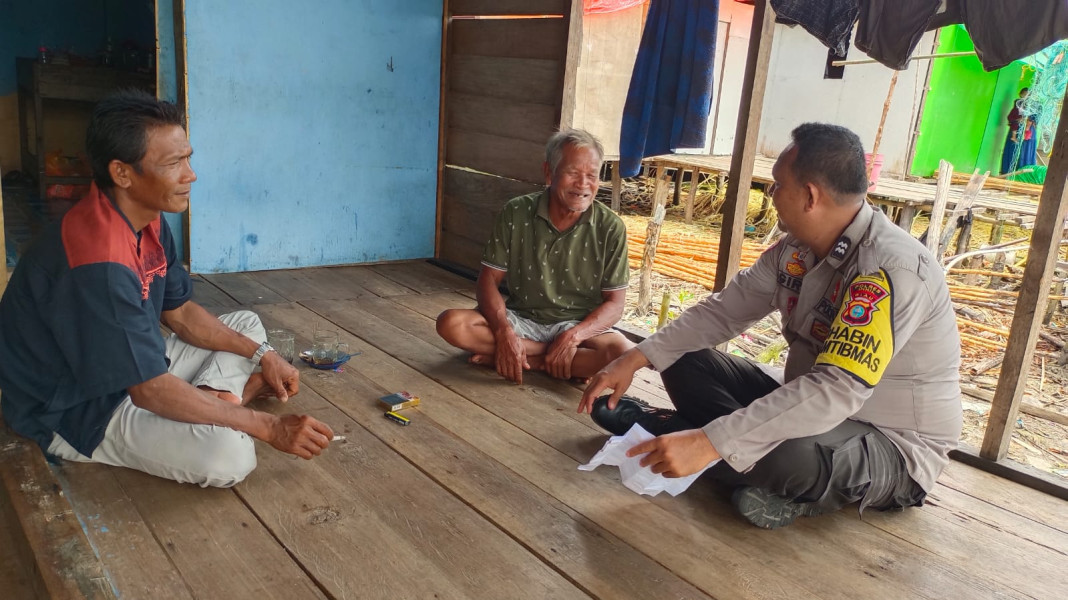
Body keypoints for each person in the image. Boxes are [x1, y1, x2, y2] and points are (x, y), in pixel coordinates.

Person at [578, 123, 962, 529]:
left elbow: (835, 390)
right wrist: (635, 358)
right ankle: (717, 454)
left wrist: (713, 441)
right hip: (809, 404)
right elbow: (721, 313)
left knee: (781, 455)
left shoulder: (889, 270)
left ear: (810, 196)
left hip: (890, 443)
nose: (771, 195)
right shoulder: (796, 249)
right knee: (683, 357)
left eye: (778, 185)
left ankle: (691, 440)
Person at [0, 90, 333, 488]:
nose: (190, 174)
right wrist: (270, 427)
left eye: (188, 157)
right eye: (174, 163)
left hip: (132, 369)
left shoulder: (147, 218)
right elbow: (150, 390)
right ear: (123, 173)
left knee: (247, 325)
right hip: (75, 408)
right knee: (230, 455)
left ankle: (216, 403)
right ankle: (221, 408)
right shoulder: (98, 261)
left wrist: (265, 355)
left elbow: (180, 313)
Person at [436, 129, 632, 384]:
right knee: (451, 324)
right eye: (573, 173)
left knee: (623, 353)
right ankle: (547, 358)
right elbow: (488, 281)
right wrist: (504, 332)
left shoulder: (610, 227)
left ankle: (526, 359)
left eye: (591, 175)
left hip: (578, 326)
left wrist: (572, 337)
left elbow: (615, 304)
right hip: (522, 319)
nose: (583, 184)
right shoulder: (516, 212)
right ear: (549, 173)